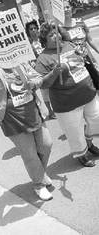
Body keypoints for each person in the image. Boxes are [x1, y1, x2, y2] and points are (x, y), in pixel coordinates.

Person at [0, 62, 54, 201]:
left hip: (33, 113)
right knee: (30, 154)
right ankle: (38, 185)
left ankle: (40, 173)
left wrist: (34, 83)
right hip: (12, 120)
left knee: (46, 145)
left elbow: (38, 77)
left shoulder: (22, 63)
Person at [35, 22, 99, 167]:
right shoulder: (42, 59)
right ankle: (82, 154)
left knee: (96, 119)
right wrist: (54, 73)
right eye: (50, 35)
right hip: (67, 104)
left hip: (88, 94)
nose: (55, 36)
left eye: (56, 32)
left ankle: (88, 143)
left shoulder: (69, 45)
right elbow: (43, 84)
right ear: (44, 40)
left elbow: (82, 61)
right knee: (74, 131)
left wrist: (83, 56)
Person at [26, 20, 56, 119]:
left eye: (35, 28)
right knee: (45, 91)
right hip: (39, 70)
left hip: (50, 65)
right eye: (31, 29)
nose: (34, 30)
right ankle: (51, 112)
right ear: (28, 31)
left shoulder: (43, 39)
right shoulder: (28, 45)